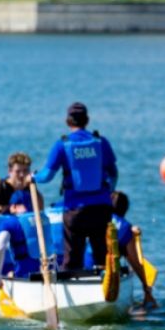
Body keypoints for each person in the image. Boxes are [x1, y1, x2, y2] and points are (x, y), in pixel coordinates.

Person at [34, 102, 118, 273]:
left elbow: (47, 176)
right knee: (102, 256)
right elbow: (113, 173)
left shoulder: (62, 145)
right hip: (102, 209)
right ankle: (107, 285)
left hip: (75, 211)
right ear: (87, 120)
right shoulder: (101, 142)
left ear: (67, 122)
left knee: (72, 261)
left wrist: (32, 177)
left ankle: (73, 287)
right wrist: (108, 193)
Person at [83, 191, 156, 308]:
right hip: (108, 277)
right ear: (125, 209)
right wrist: (146, 287)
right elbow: (135, 263)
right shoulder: (126, 227)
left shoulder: (95, 218)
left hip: (84, 271)